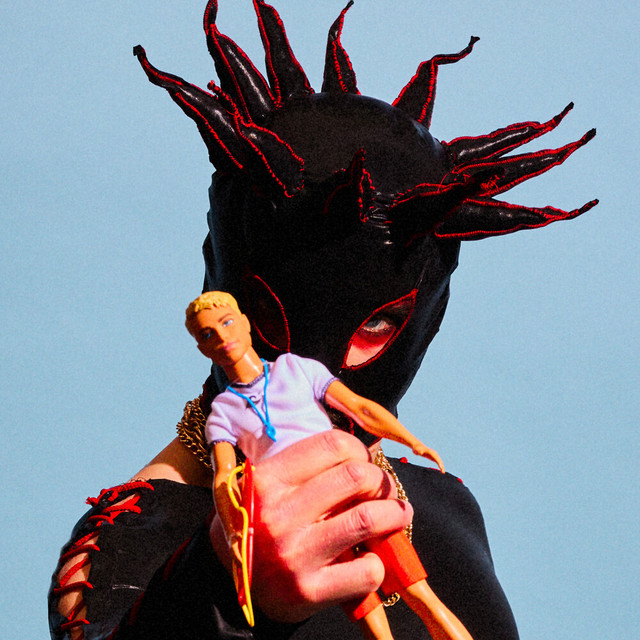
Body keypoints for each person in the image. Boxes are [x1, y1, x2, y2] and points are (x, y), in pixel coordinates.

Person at [50, 2, 595, 638]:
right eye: (266, 317)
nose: (314, 374)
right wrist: (224, 588)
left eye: (376, 327)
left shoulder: (449, 507)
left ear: (433, 315)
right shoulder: (133, 543)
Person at [186, 290, 472, 640]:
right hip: (308, 520)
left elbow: (358, 407)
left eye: (227, 322)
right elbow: (224, 478)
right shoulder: (223, 413)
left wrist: (410, 440)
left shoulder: (295, 369)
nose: (222, 336)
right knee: (370, 619)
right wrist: (236, 535)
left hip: (353, 489)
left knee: (421, 595)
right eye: (208, 334)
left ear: (245, 324)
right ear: (202, 348)